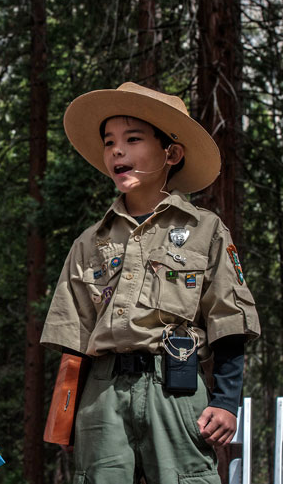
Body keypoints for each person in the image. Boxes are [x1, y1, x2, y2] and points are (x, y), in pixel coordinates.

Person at [40, 82, 261, 483]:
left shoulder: (205, 230)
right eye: (109, 142)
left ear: (171, 153)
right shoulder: (90, 242)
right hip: (101, 397)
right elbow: (73, 340)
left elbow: (228, 321)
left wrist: (227, 402)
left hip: (176, 388)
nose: (116, 151)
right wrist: (64, 416)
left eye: (132, 139)